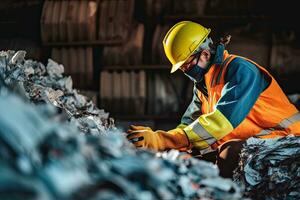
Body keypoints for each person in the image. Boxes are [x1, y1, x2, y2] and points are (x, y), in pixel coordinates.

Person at [126, 21, 300, 178]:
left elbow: (219, 123)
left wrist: (164, 140)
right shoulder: (202, 86)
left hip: (288, 138)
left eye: (187, 65)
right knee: (191, 158)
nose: (186, 71)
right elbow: (188, 127)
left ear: (205, 55)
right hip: (259, 139)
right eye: (183, 68)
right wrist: (158, 140)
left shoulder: (241, 70)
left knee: (229, 153)